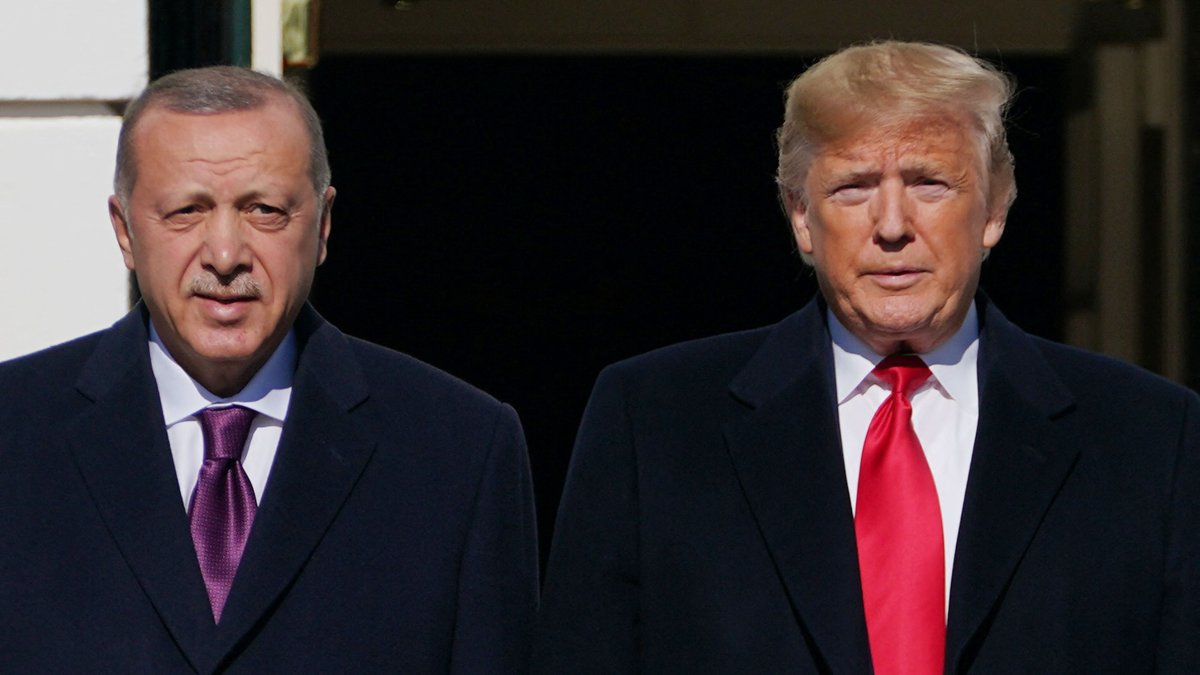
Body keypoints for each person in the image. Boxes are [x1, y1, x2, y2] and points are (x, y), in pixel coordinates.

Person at [533, 41, 1200, 673]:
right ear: (800, 216)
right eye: (852, 188)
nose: (890, 225)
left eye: (929, 183)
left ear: (995, 207)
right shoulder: (652, 423)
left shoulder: (1149, 437)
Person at [0, 66, 537, 673]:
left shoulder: (459, 451)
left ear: (324, 224)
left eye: (264, 210)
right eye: (185, 211)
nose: (225, 255)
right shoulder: (14, 436)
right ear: (124, 230)